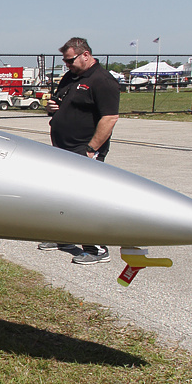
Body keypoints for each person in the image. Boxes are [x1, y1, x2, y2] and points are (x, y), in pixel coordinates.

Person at [38, 37, 120, 264]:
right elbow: (58, 103)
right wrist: (52, 107)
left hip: (84, 149)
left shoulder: (102, 80)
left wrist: (92, 149)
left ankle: (96, 248)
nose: (67, 65)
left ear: (85, 54)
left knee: (87, 199)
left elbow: (110, 117)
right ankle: (63, 237)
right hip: (63, 147)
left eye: (70, 60)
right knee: (63, 195)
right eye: (65, 61)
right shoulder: (70, 77)